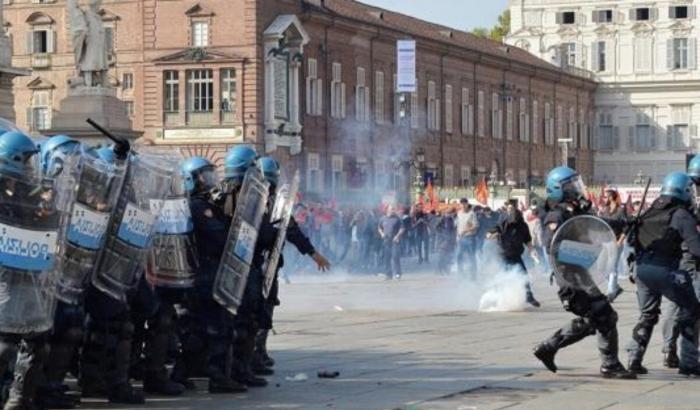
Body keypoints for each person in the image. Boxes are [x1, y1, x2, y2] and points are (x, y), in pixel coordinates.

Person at [533, 166, 636, 379]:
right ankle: (610, 365)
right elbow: (553, 247)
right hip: (570, 278)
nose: (575, 188)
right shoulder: (557, 214)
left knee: (598, 317)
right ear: (557, 189)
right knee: (605, 315)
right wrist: (588, 254)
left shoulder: (574, 210)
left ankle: (549, 347)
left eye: (575, 184)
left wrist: (625, 222)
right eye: (570, 185)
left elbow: (597, 225)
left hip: (581, 275)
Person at [626, 172, 700, 376]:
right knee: (691, 310)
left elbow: (632, 241)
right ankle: (690, 363)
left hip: (642, 269)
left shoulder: (648, 211)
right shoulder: (681, 214)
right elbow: (696, 249)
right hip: (666, 269)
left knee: (647, 315)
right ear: (684, 191)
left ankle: (634, 359)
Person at [660, 155, 700, 369]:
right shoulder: (685, 203)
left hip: (677, 260)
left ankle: (669, 350)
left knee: (675, 307)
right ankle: (689, 358)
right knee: (691, 309)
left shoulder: (679, 197)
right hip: (691, 261)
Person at [494, 199, 541, 308]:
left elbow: (527, 240)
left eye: (513, 208)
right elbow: (496, 229)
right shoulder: (503, 222)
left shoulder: (522, 225)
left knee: (523, 275)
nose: (512, 212)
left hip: (516, 254)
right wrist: (491, 233)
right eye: (509, 208)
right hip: (503, 254)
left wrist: (532, 251)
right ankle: (499, 299)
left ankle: (528, 296)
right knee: (504, 276)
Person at [597, 187, 626, 302]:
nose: (607, 197)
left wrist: (620, 240)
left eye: (609, 194)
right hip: (605, 242)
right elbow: (601, 226)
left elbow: (625, 227)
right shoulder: (605, 209)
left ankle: (610, 293)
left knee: (612, 267)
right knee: (601, 268)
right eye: (606, 195)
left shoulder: (620, 210)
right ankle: (616, 288)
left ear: (614, 195)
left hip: (616, 241)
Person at [378, 205, 404, 280]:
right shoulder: (382, 219)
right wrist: (382, 233)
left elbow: (402, 228)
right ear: (387, 210)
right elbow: (379, 227)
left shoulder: (397, 219)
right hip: (386, 241)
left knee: (395, 257)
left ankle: (398, 273)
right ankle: (388, 274)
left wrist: (397, 236)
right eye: (391, 209)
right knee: (387, 258)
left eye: (393, 209)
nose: (393, 210)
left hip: (395, 241)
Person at [456, 199, 479, 280]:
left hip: (470, 238)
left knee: (471, 257)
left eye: (464, 204)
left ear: (467, 204)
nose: (463, 205)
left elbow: (476, 225)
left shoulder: (472, 213)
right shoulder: (459, 213)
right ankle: (461, 273)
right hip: (461, 238)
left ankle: (473, 275)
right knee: (459, 256)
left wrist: (466, 230)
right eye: (461, 204)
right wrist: (457, 236)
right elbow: (458, 225)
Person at [435, 208, 457, 275]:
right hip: (443, 240)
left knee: (448, 256)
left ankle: (446, 269)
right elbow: (437, 228)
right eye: (448, 213)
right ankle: (439, 270)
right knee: (442, 256)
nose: (449, 214)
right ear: (445, 213)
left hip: (450, 240)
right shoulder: (441, 220)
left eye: (451, 213)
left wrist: (454, 240)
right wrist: (443, 237)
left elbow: (452, 230)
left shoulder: (451, 220)